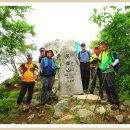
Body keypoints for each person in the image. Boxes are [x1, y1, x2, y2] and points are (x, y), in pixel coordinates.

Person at [99, 40, 119, 110]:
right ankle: (110, 100)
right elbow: (101, 63)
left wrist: (111, 65)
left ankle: (116, 102)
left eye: (104, 44)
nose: (103, 46)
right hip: (103, 72)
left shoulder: (111, 52)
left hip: (110, 71)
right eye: (102, 45)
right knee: (106, 87)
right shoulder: (101, 54)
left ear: (107, 45)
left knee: (111, 86)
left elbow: (117, 60)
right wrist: (99, 67)